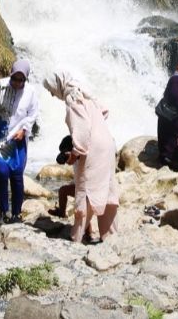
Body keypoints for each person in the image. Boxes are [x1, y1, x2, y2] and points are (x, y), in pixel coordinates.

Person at [44, 72, 120, 244]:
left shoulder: (72, 99)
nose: (51, 93)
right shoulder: (85, 93)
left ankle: (77, 238)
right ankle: (111, 236)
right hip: (107, 143)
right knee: (106, 188)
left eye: (50, 89)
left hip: (92, 148)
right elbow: (104, 111)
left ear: (58, 86)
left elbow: (82, 128)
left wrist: (75, 153)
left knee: (86, 190)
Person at [0, 59, 40, 224]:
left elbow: (33, 113)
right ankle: (2, 212)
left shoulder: (30, 92)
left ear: (26, 79)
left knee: (16, 176)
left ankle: (16, 214)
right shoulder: (0, 85)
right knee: (1, 173)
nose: (17, 83)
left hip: (18, 138)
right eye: (14, 78)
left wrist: (24, 130)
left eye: (21, 80)